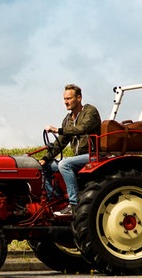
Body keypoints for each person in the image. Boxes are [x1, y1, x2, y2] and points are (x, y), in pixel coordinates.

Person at [39, 84, 101, 215]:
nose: (65, 102)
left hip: (93, 155)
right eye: (64, 99)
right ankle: (55, 200)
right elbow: (60, 142)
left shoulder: (90, 112)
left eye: (69, 98)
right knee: (44, 168)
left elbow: (82, 129)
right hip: (78, 158)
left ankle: (73, 205)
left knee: (64, 164)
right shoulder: (67, 119)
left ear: (79, 98)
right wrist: (45, 158)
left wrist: (57, 129)